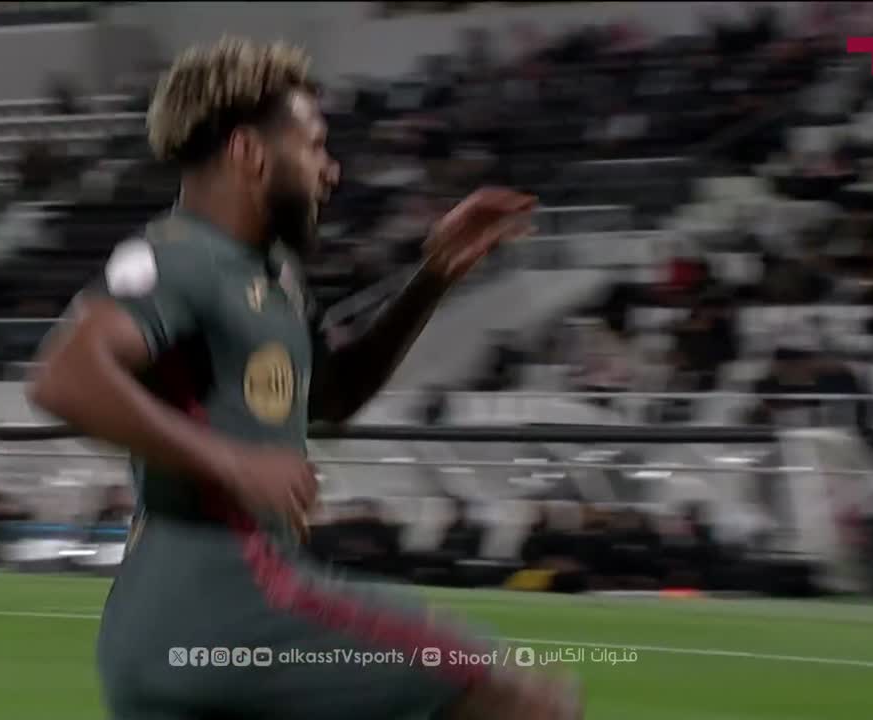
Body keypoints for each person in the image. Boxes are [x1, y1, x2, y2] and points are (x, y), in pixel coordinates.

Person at [28, 37, 579, 720]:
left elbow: (334, 396)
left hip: (185, 622)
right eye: (314, 145)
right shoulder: (178, 255)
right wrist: (232, 462)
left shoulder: (274, 275)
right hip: (221, 603)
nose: (331, 170)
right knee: (519, 699)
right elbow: (63, 378)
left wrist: (432, 277)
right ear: (250, 152)